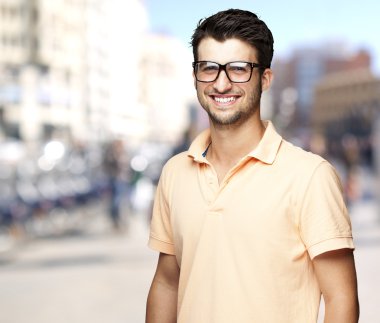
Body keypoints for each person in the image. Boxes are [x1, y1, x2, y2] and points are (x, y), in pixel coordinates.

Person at [146, 9, 359, 323]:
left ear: (265, 78)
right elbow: (166, 282)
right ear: (195, 77)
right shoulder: (175, 172)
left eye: (238, 69)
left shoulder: (310, 176)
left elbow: (341, 298)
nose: (221, 83)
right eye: (209, 68)